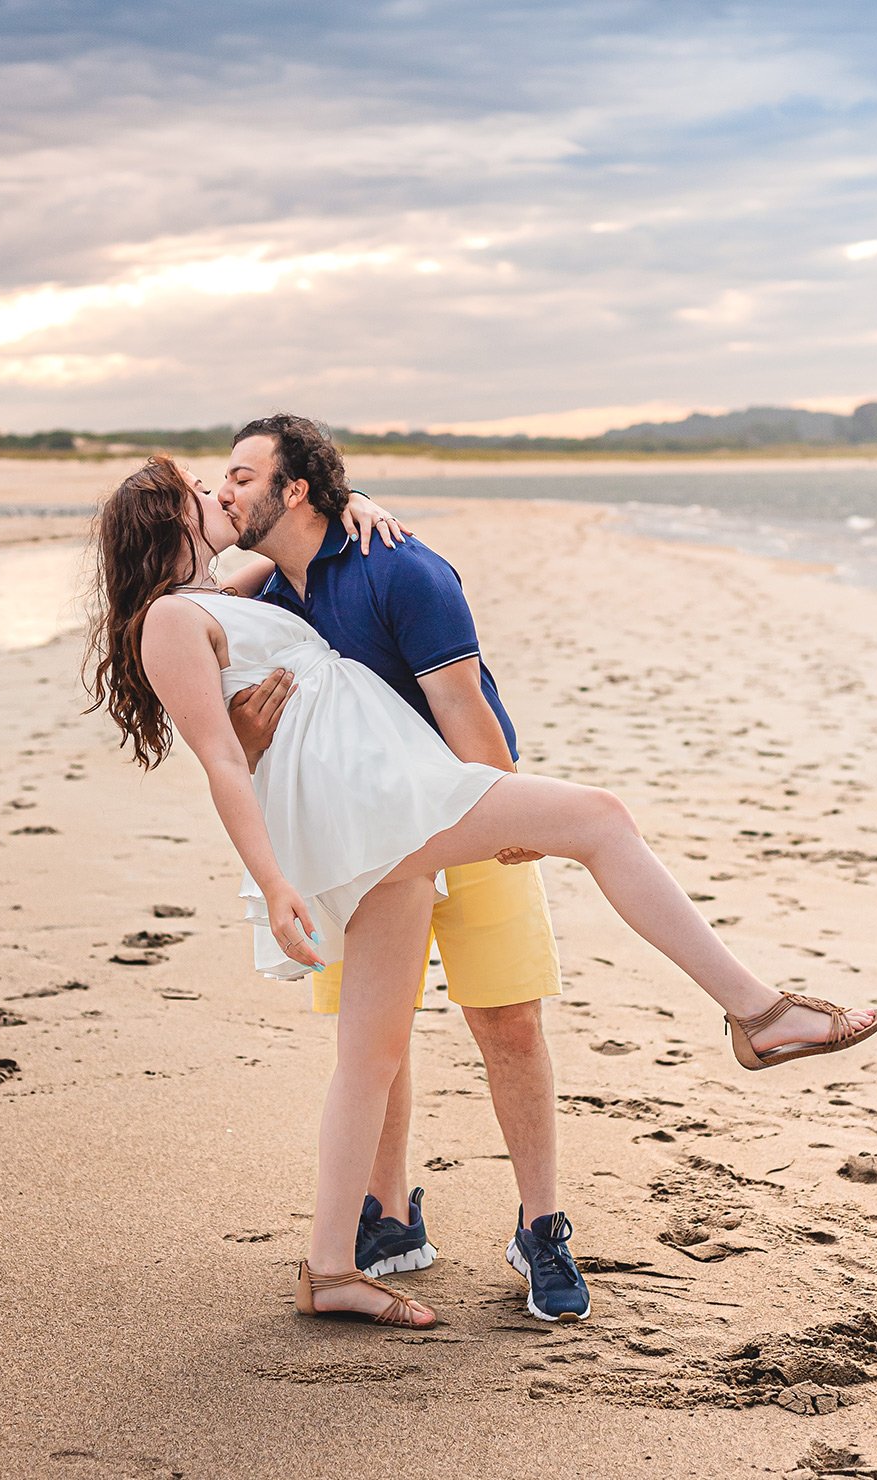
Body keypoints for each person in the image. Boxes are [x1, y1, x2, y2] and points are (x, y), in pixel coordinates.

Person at [84, 451, 877, 1328]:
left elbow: (302, 541)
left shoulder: (237, 587)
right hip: (370, 804)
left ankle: (331, 1270)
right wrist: (274, 883)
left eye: (235, 480)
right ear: (169, 521)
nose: (223, 493)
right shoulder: (171, 618)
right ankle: (759, 1014)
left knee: (371, 1053)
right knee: (600, 818)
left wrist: (363, 503)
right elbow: (222, 767)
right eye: (207, 490)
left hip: (378, 812)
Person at [218, 413, 585, 1320]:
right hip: (362, 846)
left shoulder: (404, 568)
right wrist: (247, 736)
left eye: (240, 475)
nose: (225, 490)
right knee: (369, 1044)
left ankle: (541, 1226)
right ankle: (385, 1218)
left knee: (507, 1025)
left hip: (469, 817)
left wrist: (509, 820)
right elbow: (252, 743)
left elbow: (470, 721)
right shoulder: (266, 609)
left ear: (293, 488)